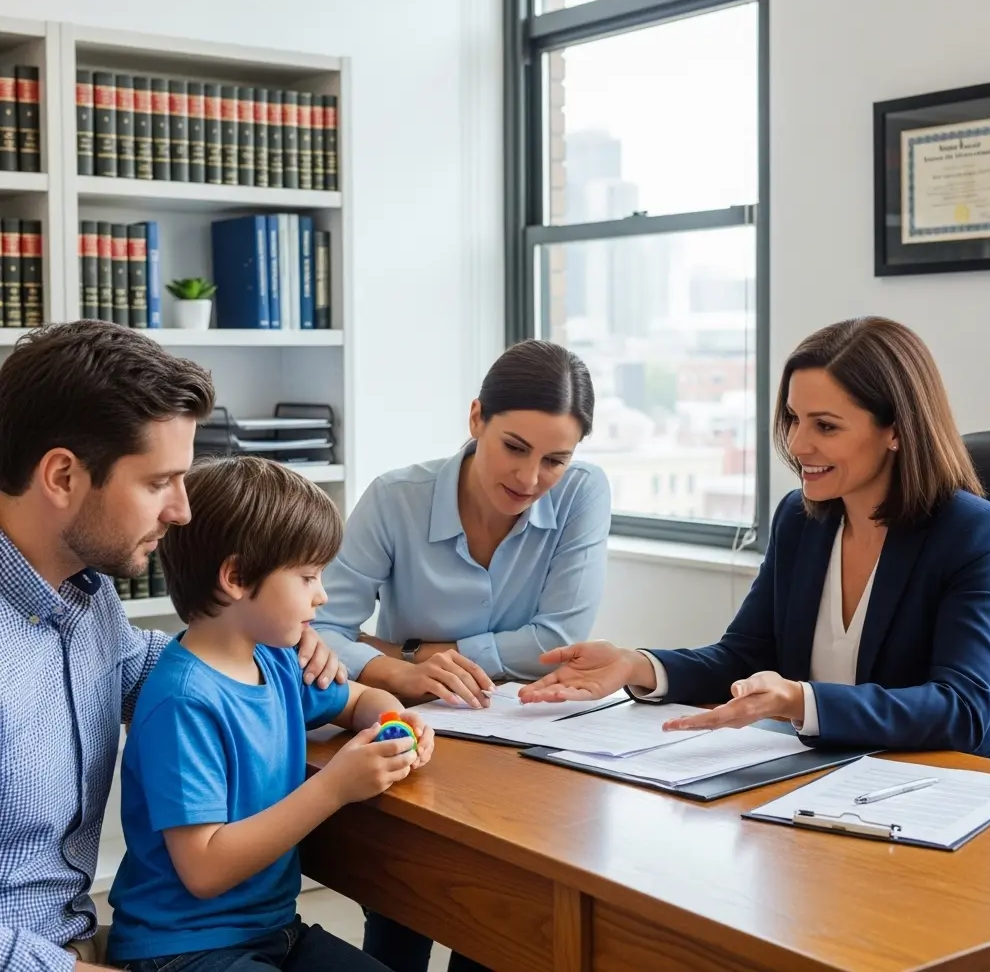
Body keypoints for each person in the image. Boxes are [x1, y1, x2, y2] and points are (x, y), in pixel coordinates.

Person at [521, 317, 990, 765]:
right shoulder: (801, 520)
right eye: (793, 419)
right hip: (831, 779)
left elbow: (963, 706)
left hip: (959, 786)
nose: (799, 444)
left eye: (825, 425)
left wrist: (799, 701)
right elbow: (745, 656)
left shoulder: (976, 534)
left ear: (895, 430)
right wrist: (639, 665)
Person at [0, 321, 344, 972]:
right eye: (160, 482)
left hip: (81, 942)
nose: (182, 512)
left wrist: (309, 651)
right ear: (63, 476)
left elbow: (160, 666)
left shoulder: (86, 594)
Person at [313, 338, 611, 972]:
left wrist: (421, 648)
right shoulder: (396, 497)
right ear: (477, 419)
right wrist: (399, 669)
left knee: (506, 924)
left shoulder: (583, 492)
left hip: (531, 755)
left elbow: (556, 641)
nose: (530, 479)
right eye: (514, 447)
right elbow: (319, 627)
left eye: (556, 458)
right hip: (415, 739)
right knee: (402, 911)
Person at [107, 456, 435, 971]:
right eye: (307, 577)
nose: (322, 595)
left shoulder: (277, 659)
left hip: (275, 929)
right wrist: (333, 787)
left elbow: (354, 701)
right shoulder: (183, 701)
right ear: (236, 577)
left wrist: (395, 718)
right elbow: (205, 869)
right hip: (183, 948)